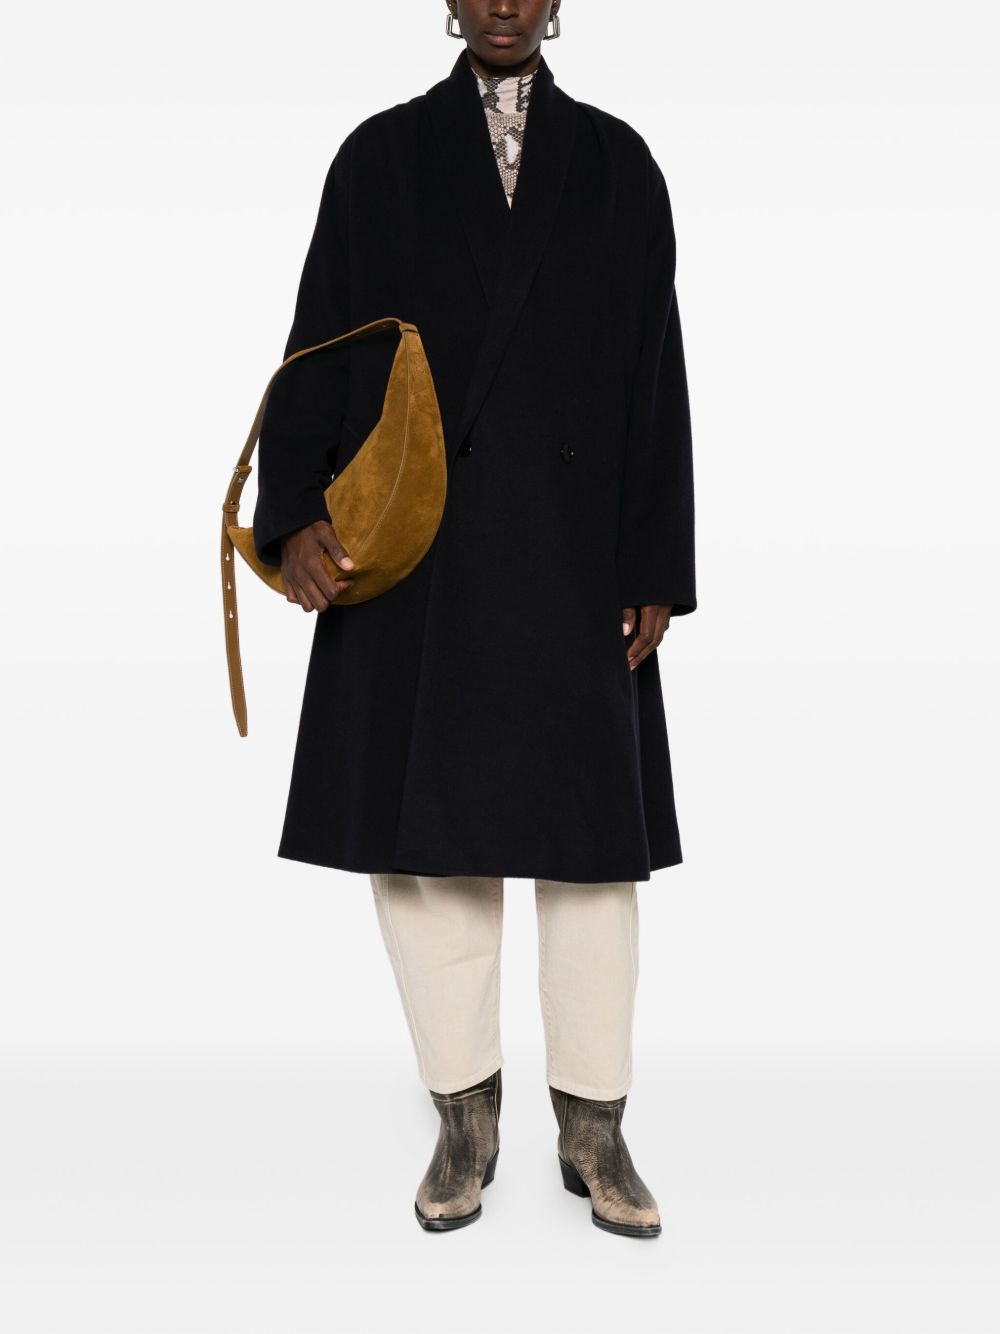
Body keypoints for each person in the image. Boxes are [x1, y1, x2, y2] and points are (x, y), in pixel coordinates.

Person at [252, 0, 696, 1238]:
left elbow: (653, 367)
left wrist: (655, 561)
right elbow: (317, 344)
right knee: (429, 844)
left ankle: (594, 1126)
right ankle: (465, 1113)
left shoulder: (616, 162)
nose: (504, 2)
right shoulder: (379, 156)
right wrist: (295, 512)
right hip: (419, 549)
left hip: (574, 551)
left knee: (592, 850)